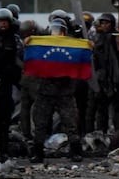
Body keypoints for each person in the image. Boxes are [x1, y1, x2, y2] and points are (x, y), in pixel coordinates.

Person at [29, 18, 83, 163]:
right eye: (54, 30)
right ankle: (37, 152)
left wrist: (87, 46)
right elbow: (29, 58)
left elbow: (81, 58)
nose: (56, 33)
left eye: (59, 31)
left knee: (70, 122)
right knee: (40, 123)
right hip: (45, 91)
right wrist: (27, 43)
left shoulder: (71, 46)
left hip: (65, 92)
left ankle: (75, 151)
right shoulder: (42, 46)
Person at [0, 8, 23, 162]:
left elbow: (19, 61)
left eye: (5, 22)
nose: (3, 24)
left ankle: (3, 151)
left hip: (6, 83)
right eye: (0, 22)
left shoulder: (15, 40)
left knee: (4, 118)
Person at [85, 13, 119, 134]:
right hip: (97, 78)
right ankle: (92, 133)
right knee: (94, 108)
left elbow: (115, 61)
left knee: (111, 109)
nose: (104, 25)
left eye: (107, 23)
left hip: (110, 79)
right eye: (102, 23)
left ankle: (108, 133)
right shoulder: (95, 38)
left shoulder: (116, 38)